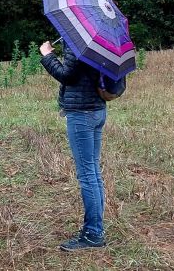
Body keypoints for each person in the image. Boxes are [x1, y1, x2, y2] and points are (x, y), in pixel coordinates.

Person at [39, 39, 119, 250]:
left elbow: (68, 76)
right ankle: (95, 228)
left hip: (82, 113)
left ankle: (93, 233)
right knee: (93, 172)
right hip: (96, 109)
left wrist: (47, 55)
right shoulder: (100, 41)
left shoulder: (78, 40)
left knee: (87, 175)